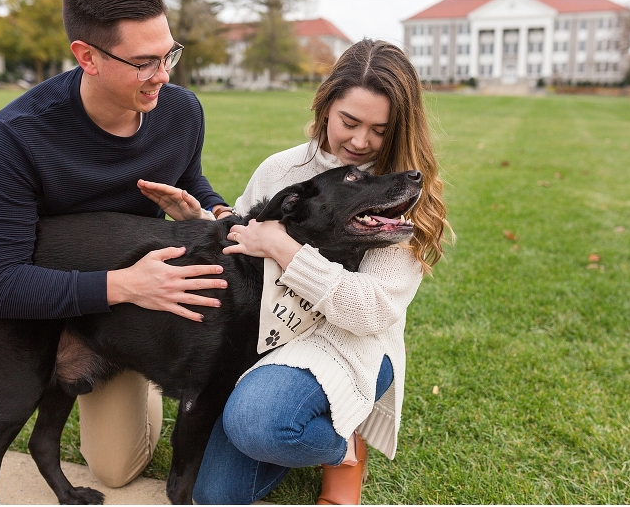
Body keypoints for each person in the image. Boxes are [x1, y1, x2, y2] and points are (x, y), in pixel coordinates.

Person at [0, 0, 236, 489]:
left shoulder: (179, 111)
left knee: (116, 468)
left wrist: (213, 211)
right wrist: (121, 285)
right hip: (25, 275)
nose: (162, 75)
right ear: (87, 57)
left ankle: (136, 375)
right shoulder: (18, 133)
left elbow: (192, 178)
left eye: (168, 55)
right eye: (143, 63)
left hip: (111, 309)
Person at [191, 39, 450, 505]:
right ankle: (297, 421)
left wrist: (286, 250)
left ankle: (341, 443)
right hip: (275, 334)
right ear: (326, 104)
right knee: (213, 495)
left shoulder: (401, 190)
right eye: (349, 121)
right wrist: (208, 220)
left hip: (353, 344)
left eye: (378, 129)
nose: (358, 141)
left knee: (258, 422)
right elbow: (244, 240)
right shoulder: (282, 169)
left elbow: (372, 312)